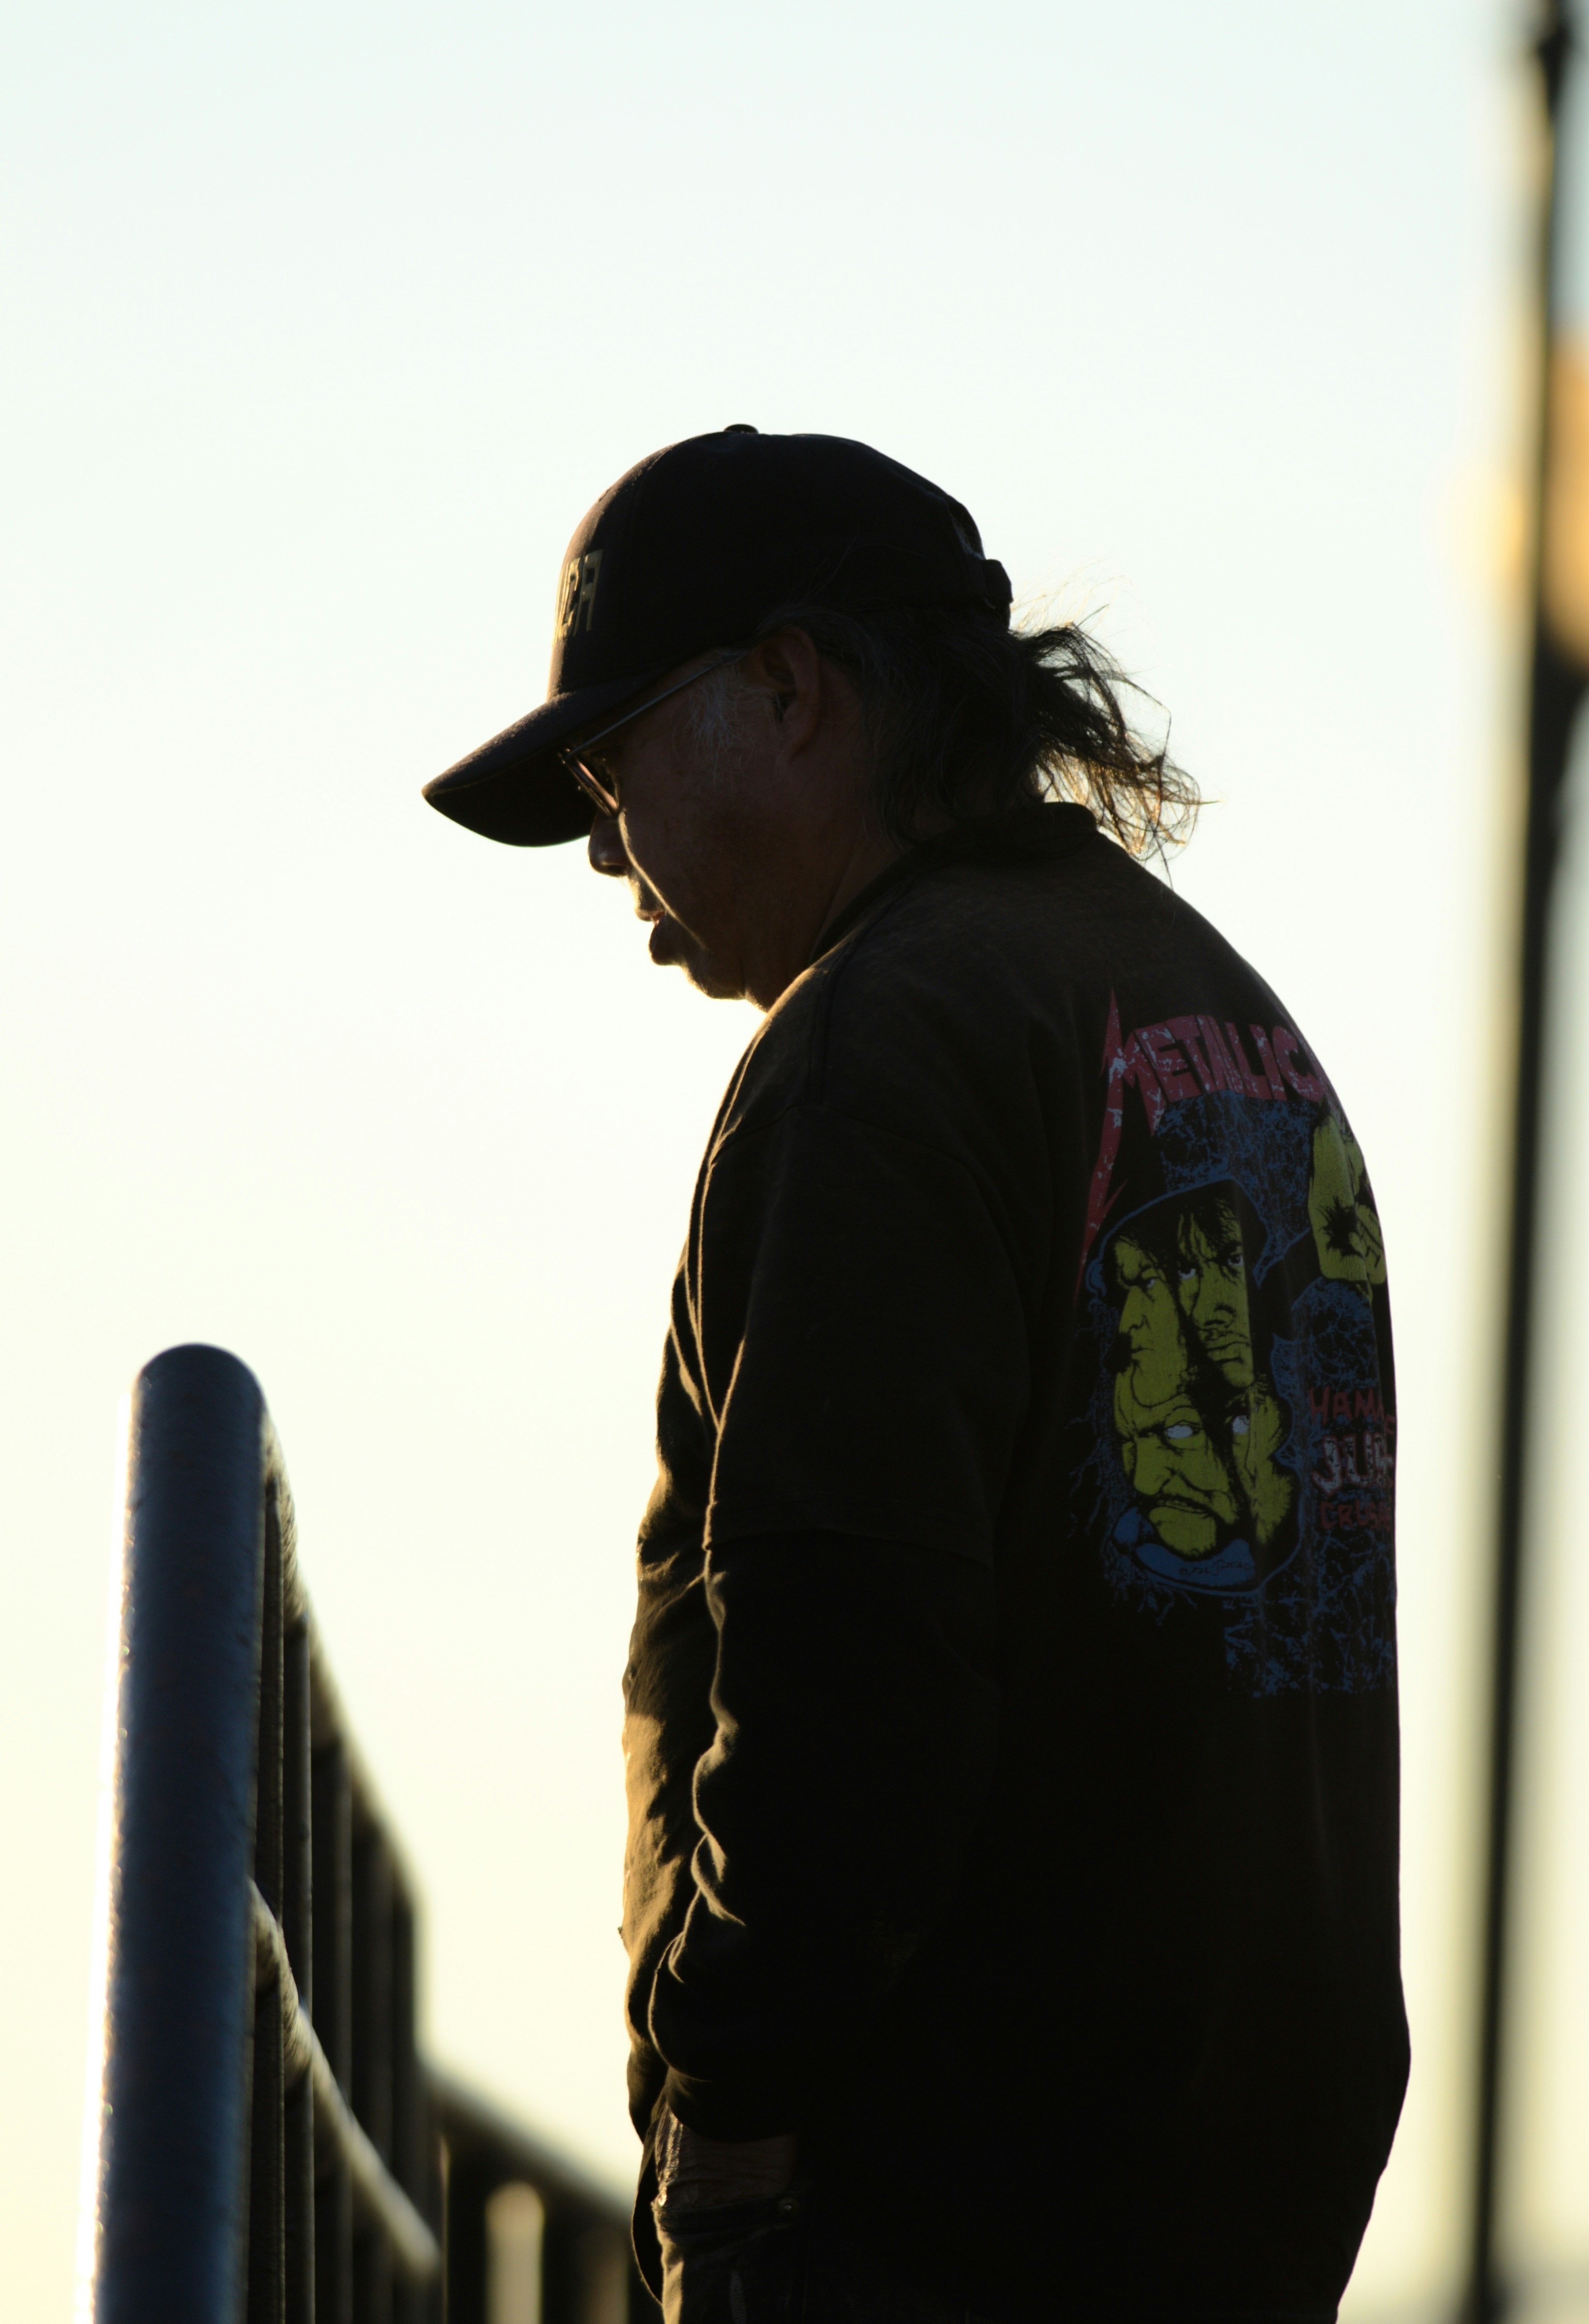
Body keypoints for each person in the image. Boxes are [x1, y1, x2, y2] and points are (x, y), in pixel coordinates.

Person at [424, 428, 1408, 2323]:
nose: (612, 851)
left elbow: (840, 1654)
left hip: (938, 2206)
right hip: (1238, 2190)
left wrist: (726, 2123)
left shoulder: (880, 1046)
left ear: (794, 690)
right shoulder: (1223, 1020)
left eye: (617, 764)